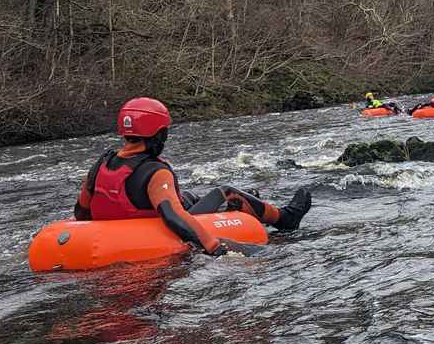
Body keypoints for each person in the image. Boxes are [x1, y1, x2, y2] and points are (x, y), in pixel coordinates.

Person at [74, 97, 312, 256]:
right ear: (158, 134)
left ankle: (238, 209)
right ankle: (285, 218)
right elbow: (172, 215)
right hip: (149, 228)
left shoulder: (101, 162)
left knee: (186, 196)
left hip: (115, 228)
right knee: (225, 191)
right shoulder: (155, 171)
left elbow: (82, 211)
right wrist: (212, 246)